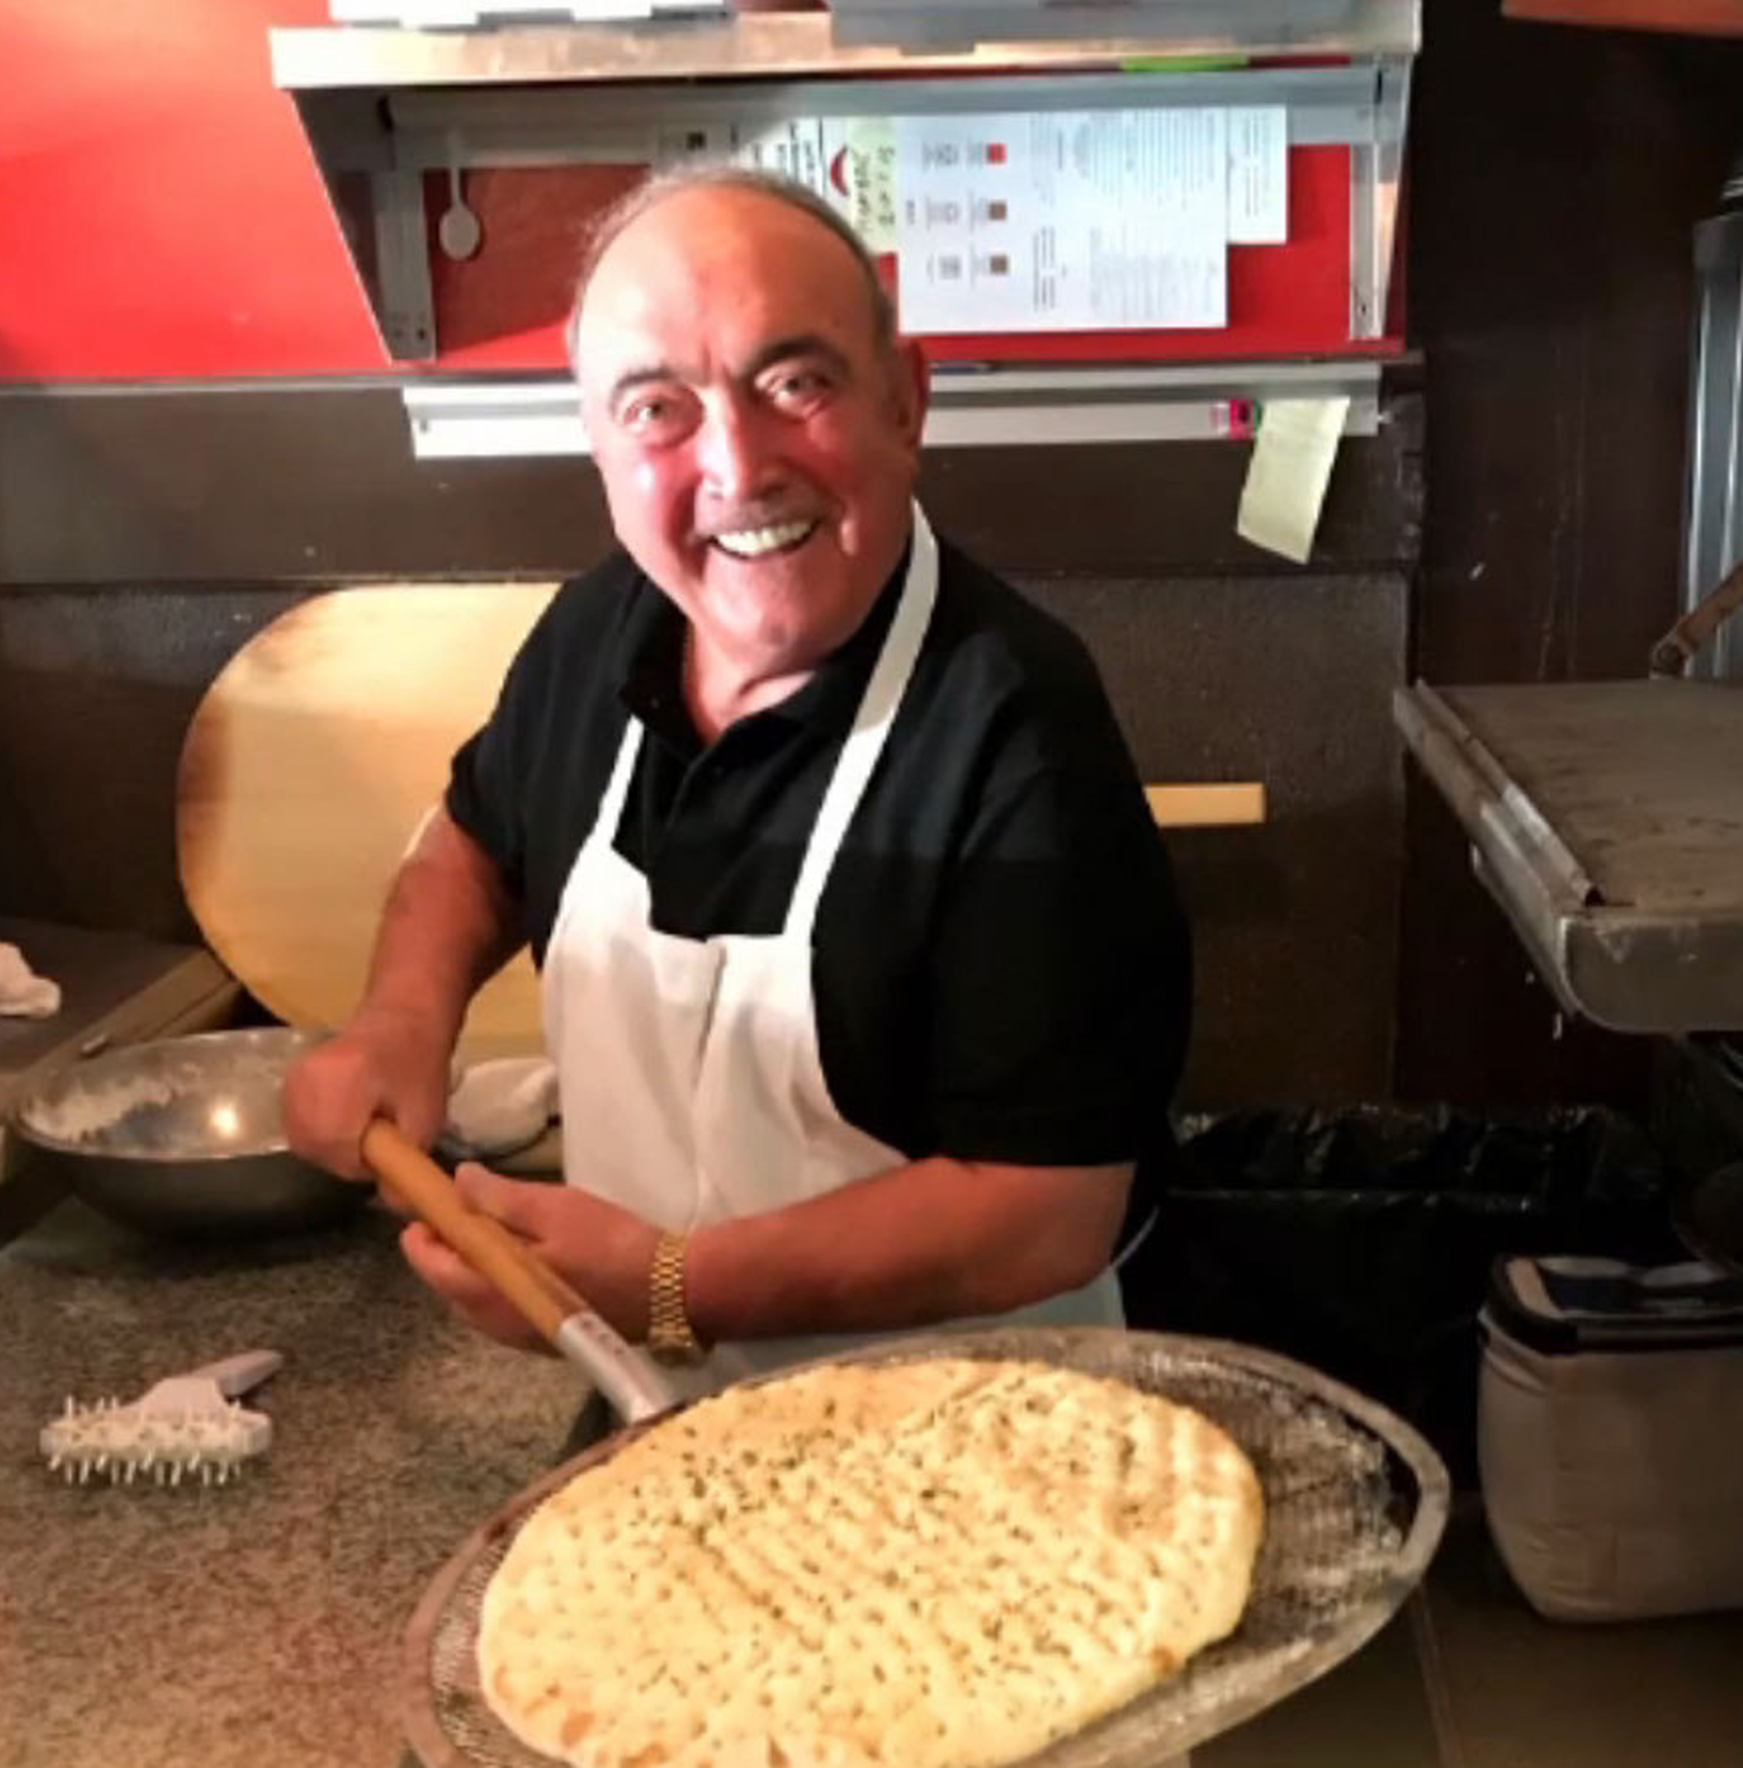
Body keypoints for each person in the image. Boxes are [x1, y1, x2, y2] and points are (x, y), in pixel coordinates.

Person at [284, 164, 1190, 1399]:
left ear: (904, 402)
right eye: (658, 409)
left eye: (794, 384)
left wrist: (669, 1283)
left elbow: (1047, 1212)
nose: (738, 464)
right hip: (667, 1427)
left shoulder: (1014, 721)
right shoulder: (599, 631)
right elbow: (475, 843)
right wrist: (402, 1021)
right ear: (598, 444)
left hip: (978, 1449)